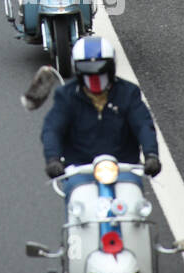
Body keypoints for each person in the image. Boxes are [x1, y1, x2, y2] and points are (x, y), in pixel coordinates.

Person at [42, 37, 161, 198]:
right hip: (80, 170)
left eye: (101, 70)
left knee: (134, 204)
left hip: (123, 169)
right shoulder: (65, 96)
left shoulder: (129, 93)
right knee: (78, 206)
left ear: (111, 68)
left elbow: (143, 125)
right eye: (87, 71)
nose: (95, 77)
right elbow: (52, 129)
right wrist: (53, 159)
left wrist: (151, 155)